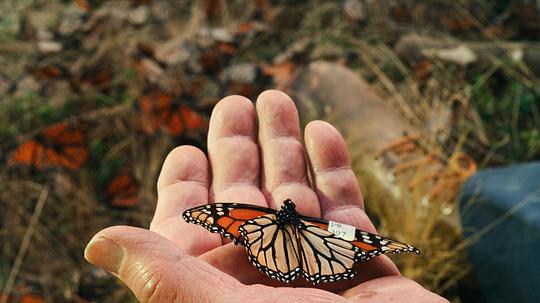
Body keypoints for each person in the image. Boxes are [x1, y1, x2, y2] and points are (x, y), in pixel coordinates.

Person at [84, 90, 447, 302]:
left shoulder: (262, 220)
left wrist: (378, 245)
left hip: (278, 246)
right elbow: (347, 238)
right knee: (341, 237)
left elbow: (353, 239)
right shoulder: (317, 227)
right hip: (317, 249)